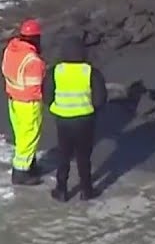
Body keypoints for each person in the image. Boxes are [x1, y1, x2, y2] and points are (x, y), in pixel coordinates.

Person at [44, 36, 108, 202]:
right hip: (85, 120)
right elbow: (100, 98)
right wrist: (91, 110)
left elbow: (47, 95)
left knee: (64, 155)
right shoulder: (90, 72)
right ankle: (86, 190)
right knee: (83, 156)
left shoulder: (56, 71)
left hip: (63, 119)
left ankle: (61, 190)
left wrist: (54, 108)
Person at [1, 18, 46, 186]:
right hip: (28, 103)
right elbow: (36, 89)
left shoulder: (11, 50)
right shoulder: (33, 61)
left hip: (13, 99)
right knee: (29, 136)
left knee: (21, 135)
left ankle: (30, 164)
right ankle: (21, 172)